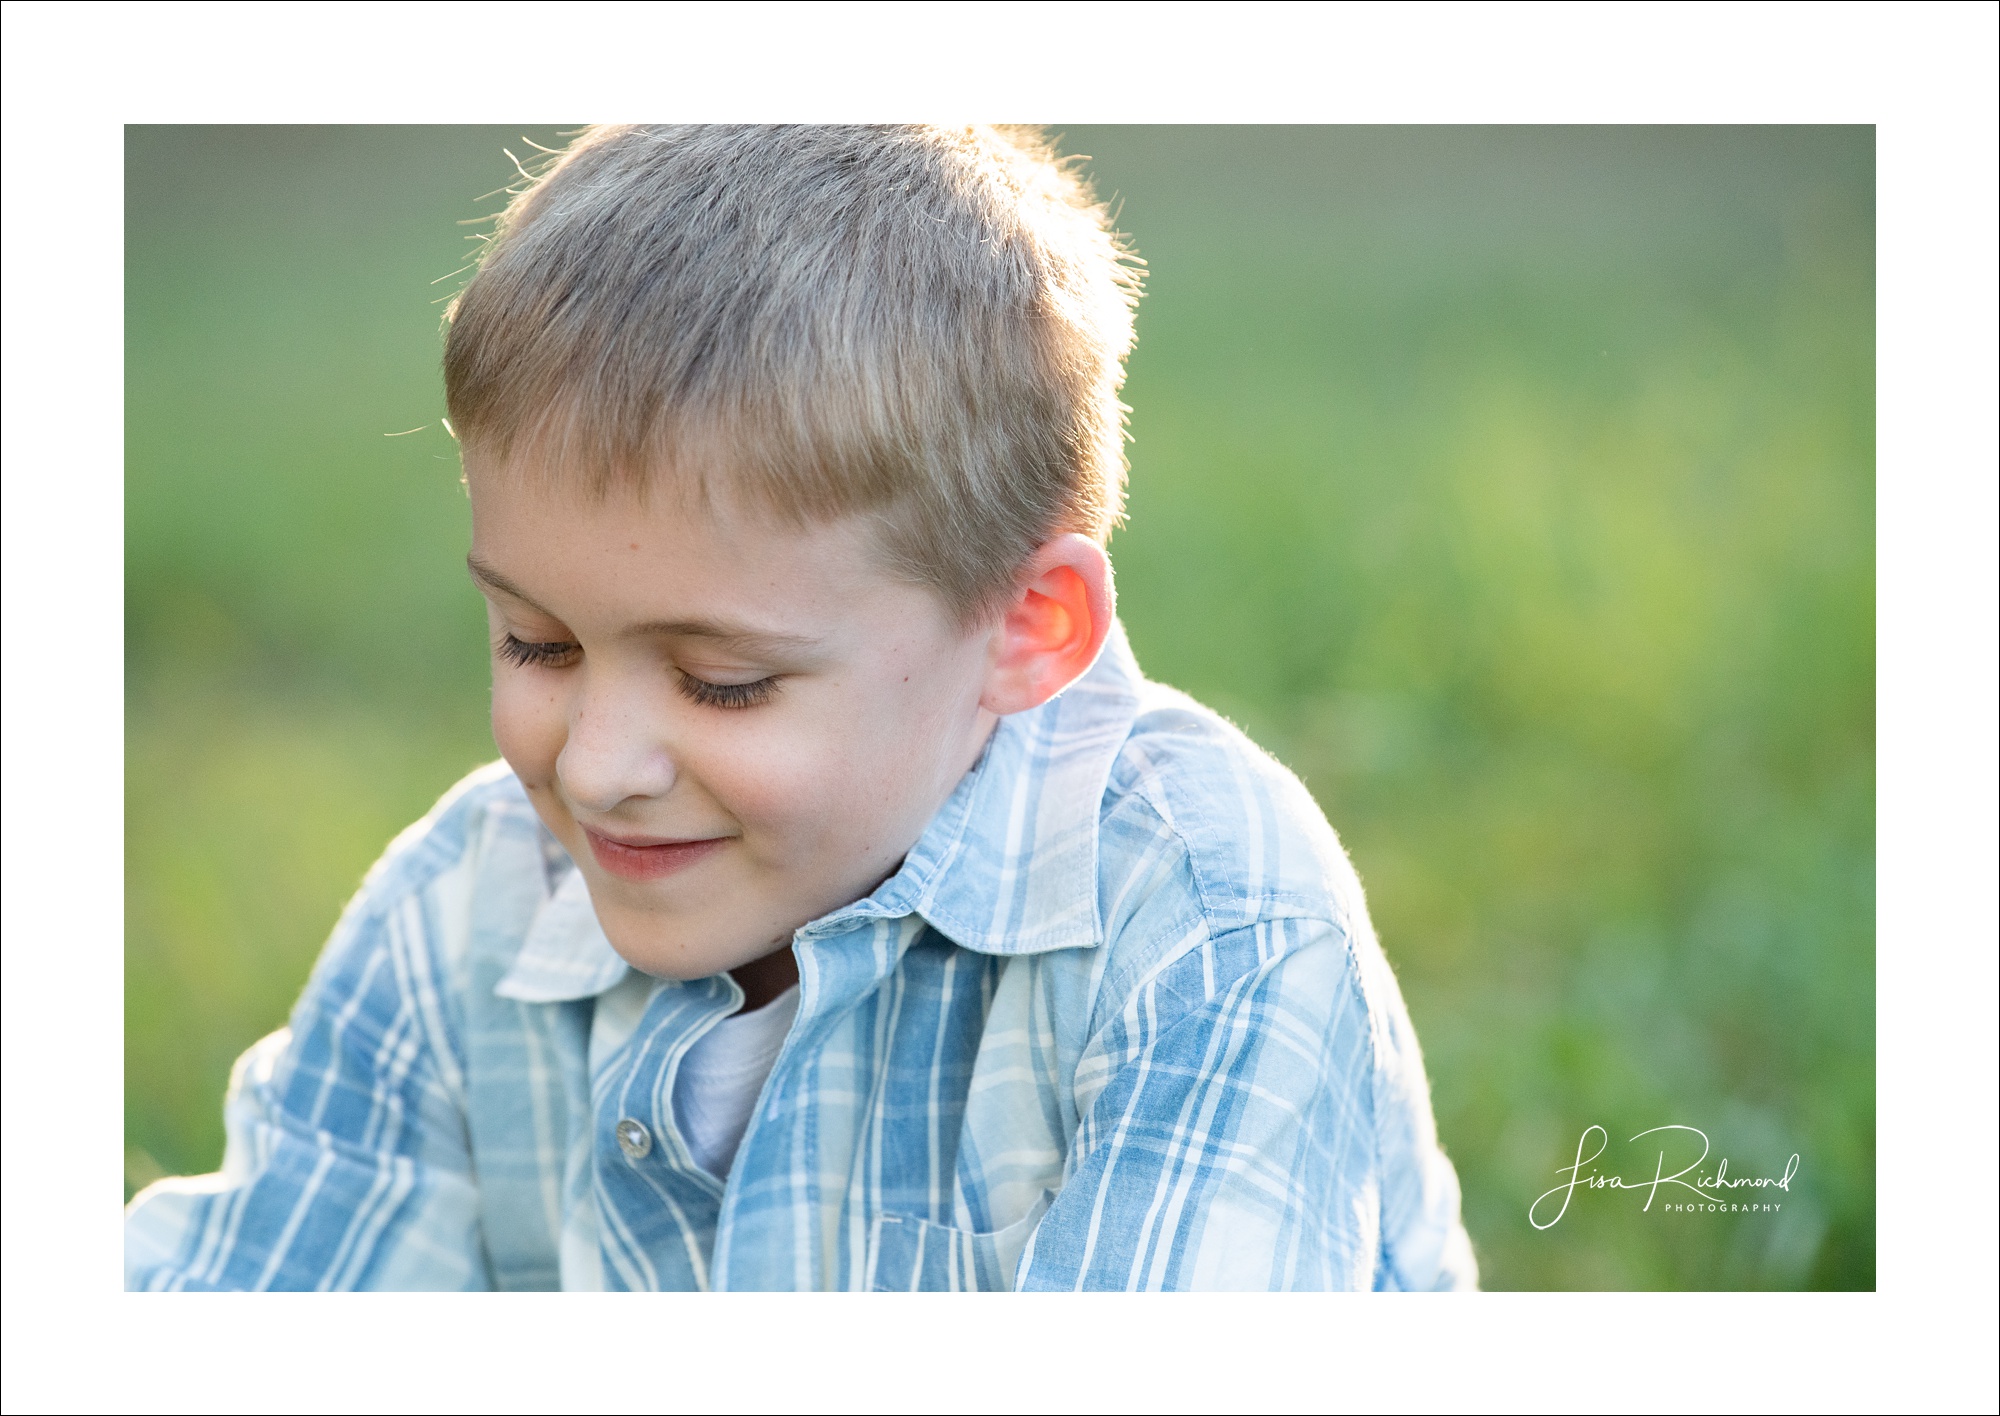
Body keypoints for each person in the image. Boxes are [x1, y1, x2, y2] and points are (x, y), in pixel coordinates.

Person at [125, 124, 1477, 1291]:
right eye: (537, 645)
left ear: (1026, 628)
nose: (595, 770)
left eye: (724, 680)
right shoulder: (468, 908)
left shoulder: (1205, 925)